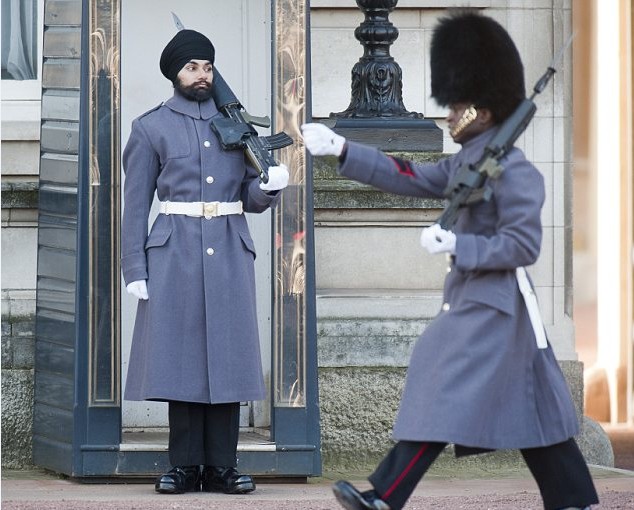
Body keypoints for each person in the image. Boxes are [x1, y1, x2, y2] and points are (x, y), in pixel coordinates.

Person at [301, 10, 598, 510]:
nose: (447, 112)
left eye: (455, 104)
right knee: (536, 411)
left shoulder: (517, 172)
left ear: (480, 109)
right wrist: (343, 149)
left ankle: (387, 496)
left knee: (439, 387)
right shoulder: (467, 160)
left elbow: (523, 246)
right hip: (480, 305)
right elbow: (410, 176)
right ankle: (571, 501)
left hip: (496, 308)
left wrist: (462, 246)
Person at [121, 28, 289, 495]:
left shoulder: (234, 125)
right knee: (183, 362)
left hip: (228, 245)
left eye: (207, 67)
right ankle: (184, 466)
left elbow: (246, 197)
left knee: (227, 359)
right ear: (174, 73)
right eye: (192, 67)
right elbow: (135, 204)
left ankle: (222, 467)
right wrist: (134, 267)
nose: (202, 75)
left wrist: (268, 188)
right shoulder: (151, 127)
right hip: (174, 252)